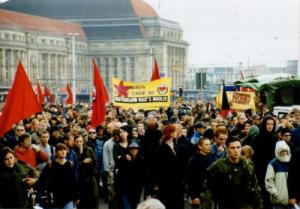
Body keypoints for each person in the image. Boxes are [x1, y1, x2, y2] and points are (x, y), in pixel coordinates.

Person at [203, 136, 263, 209]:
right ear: (227, 149)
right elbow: (208, 189)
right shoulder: (218, 166)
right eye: (232, 148)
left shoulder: (247, 165)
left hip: (245, 205)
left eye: (238, 147)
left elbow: (255, 187)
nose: (236, 150)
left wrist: (259, 205)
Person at [37, 143, 79, 209]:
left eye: (65, 150)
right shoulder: (50, 165)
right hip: (54, 198)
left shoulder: (70, 164)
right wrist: (41, 195)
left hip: (68, 198)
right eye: (61, 150)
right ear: (56, 152)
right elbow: (42, 181)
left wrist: (77, 196)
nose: (63, 152)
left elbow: (75, 181)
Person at [155, 124, 184, 209]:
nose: (177, 132)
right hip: (167, 183)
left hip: (175, 182)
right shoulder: (162, 148)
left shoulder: (174, 144)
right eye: (175, 131)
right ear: (171, 133)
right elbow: (161, 167)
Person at [114, 141, 149, 209]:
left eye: (135, 149)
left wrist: (147, 190)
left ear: (138, 150)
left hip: (136, 190)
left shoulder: (141, 160)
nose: (134, 150)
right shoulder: (124, 159)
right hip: (125, 190)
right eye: (132, 149)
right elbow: (119, 172)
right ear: (129, 150)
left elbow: (145, 176)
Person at [74, 135, 99, 209]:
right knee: (82, 202)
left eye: (80, 141)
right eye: (77, 141)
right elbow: (74, 166)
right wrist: (83, 162)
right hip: (80, 179)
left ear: (83, 141)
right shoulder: (73, 152)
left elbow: (95, 162)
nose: (79, 143)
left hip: (90, 177)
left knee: (93, 198)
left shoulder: (89, 149)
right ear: (74, 142)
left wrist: (94, 172)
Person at [186, 137, 211, 209]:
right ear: (200, 147)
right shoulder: (194, 160)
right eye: (206, 145)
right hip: (198, 194)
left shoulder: (208, 157)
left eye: (209, 144)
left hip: (207, 194)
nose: (209, 146)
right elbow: (190, 179)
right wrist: (194, 196)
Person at [265, 141, 291, 209]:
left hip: (292, 201)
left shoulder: (292, 162)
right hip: (278, 201)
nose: (284, 153)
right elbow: (268, 181)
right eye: (281, 151)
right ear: (278, 152)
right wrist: (276, 194)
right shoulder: (273, 163)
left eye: (285, 151)